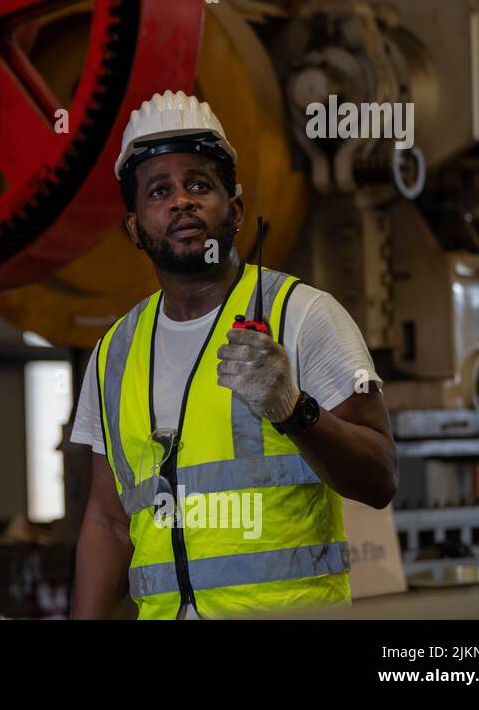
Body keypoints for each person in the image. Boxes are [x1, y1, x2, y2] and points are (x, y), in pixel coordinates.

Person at [70, 91, 398, 619]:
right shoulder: (114, 353)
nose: (182, 200)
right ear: (134, 226)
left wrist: (295, 410)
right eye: (159, 190)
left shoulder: (304, 316)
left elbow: (381, 478)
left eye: (200, 184)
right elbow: (107, 521)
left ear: (236, 208)